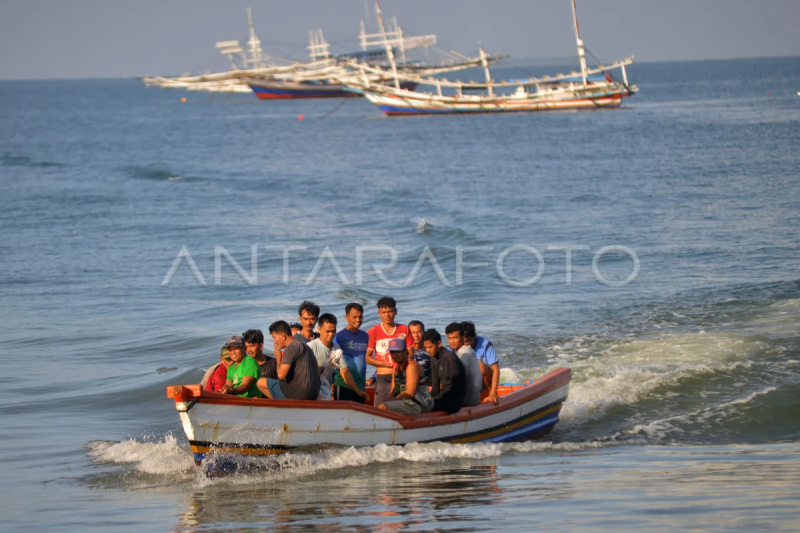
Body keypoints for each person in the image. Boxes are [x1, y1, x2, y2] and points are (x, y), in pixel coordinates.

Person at [366, 296, 416, 407]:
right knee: (380, 409)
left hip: (402, 375)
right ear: (379, 313)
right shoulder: (373, 331)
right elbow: (367, 357)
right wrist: (386, 364)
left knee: (402, 408)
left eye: (390, 311)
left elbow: (411, 353)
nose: (387, 315)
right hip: (383, 377)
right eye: (384, 312)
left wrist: (399, 363)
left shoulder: (404, 329)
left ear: (395, 311)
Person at [257, 321, 321, 400]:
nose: (275, 342)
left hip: (298, 393)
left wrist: (278, 357)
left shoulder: (292, 347)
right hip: (313, 393)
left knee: (260, 382)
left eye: (274, 338)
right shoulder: (304, 345)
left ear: (283, 336)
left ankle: (281, 406)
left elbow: (280, 375)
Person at [378, 338, 433, 415]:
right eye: (392, 352)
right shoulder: (396, 367)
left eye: (398, 352)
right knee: (380, 407)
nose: (395, 355)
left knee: (383, 407)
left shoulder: (411, 365)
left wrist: (393, 401)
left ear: (405, 351)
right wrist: (390, 400)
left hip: (418, 404)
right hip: (404, 401)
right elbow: (392, 390)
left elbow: (410, 393)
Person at [332, 303, 370, 403]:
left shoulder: (365, 336)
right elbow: (334, 361)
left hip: (360, 387)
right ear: (347, 317)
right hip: (344, 385)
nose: (358, 320)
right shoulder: (339, 337)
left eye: (360, 316)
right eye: (354, 317)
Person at [422, 329, 465, 414]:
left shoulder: (450, 358)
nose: (427, 350)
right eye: (426, 347)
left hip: (454, 400)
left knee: (425, 407)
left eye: (430, 347)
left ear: (439, 344)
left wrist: (436, 399)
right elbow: (435, 386)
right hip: (443, 397)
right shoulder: (433, 359)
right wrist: (431, 398)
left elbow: (453, 387)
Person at [462, 321, 500, 404]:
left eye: (468, 341)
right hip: (468, 382)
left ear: (474, 336)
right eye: (463, 341)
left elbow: (496, 369)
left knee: (480, 366)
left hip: (484, 382)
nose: (465, 344)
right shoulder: (457, 346)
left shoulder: (486, 344)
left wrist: (493, 392)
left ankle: (491, 395)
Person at [445, 322, 482, 407]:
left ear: (462, 338)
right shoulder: (467, 350)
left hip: (468, 399)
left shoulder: (464, 352)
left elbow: (460, 377)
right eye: (449, 338)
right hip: (474, 396)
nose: (452, 341)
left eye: (455, 338)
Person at [408, 320, 431, 384]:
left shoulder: (429, 350)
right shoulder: (404, 351)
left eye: (419, 332)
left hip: (426, 385)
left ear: (423, 332)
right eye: (413, 332)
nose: (416, 335)